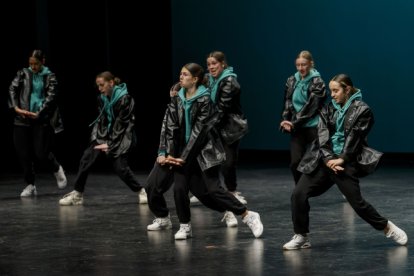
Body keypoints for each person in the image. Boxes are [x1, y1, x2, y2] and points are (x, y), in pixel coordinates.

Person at [282, 74, 408, 250]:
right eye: (331, 90)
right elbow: (322, 137)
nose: (332, 94)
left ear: (347, 89)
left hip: (345, 162)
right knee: (298, 195)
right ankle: (302, 236)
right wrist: (328, 159)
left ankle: (387, 227)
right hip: (323, 160)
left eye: (336, 90)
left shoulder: (363, 110)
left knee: (358, 204)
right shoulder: (327, 109)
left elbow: (354, 139)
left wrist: (341, 158)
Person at [146, 63, 263, 240]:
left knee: (213, 191)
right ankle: (185, 226)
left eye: (185, 74)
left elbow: (198, 134)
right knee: (179, 189)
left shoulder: (205, 101)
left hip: (203, 153)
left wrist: (183, 158)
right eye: (180, 74)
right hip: (180, 154)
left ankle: (248, 215)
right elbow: (169, 127)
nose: (181, 77)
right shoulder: (177, 98)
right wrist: (168, 154)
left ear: (195, 79)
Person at [59, 71, 147, 205]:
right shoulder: (101, 98)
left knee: (120, 168)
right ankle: (78, 194)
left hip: (123, 136)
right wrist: (100, 139)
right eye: (98, 86)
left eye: (102, 85)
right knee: (86, 158)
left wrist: (111, 144)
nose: (99, 89)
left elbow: (122, 124)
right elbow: (103, 120)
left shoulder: (125, 99)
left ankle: (141, 191)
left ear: (111, 83)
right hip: (104, 134)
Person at [189, 51, 249, 228]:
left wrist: (204, 126)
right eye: (208, 64)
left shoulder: (230, 81)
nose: (211, 67)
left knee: (228, 163)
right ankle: (214, 191)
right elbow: (193, 82)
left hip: (230, 127)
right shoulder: (209, 79)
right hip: (215, 126)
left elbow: (222, 109)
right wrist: (178, 86)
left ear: (223, 64)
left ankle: (232, 192)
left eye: (214, 63)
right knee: (210, 161)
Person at [8, 49, 67, 197]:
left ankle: (56, 168)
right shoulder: (23, 73)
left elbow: (51, 97)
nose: (33, 67)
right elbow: (12, 89)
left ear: (43, 62)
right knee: (23, 153)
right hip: (22, 118)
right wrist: (16, 108)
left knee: (41, 152)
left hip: (40, 118)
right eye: (31, 64)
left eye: (36, 64)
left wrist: (38, 113)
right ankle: (30, 184)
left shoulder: (50, 76)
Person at [280, 50, 327, 185]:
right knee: (295, 162)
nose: (301, 68)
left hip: (314, 127)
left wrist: (294, 122)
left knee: (323, 161)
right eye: (298, 65)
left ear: (311, 64)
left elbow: (311, 108)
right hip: (298, 127)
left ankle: (343, 185)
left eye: (304, 65)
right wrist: (285, 119)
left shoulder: (318, 82)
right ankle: (300, 190)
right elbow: (287, 102)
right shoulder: (291, 80)